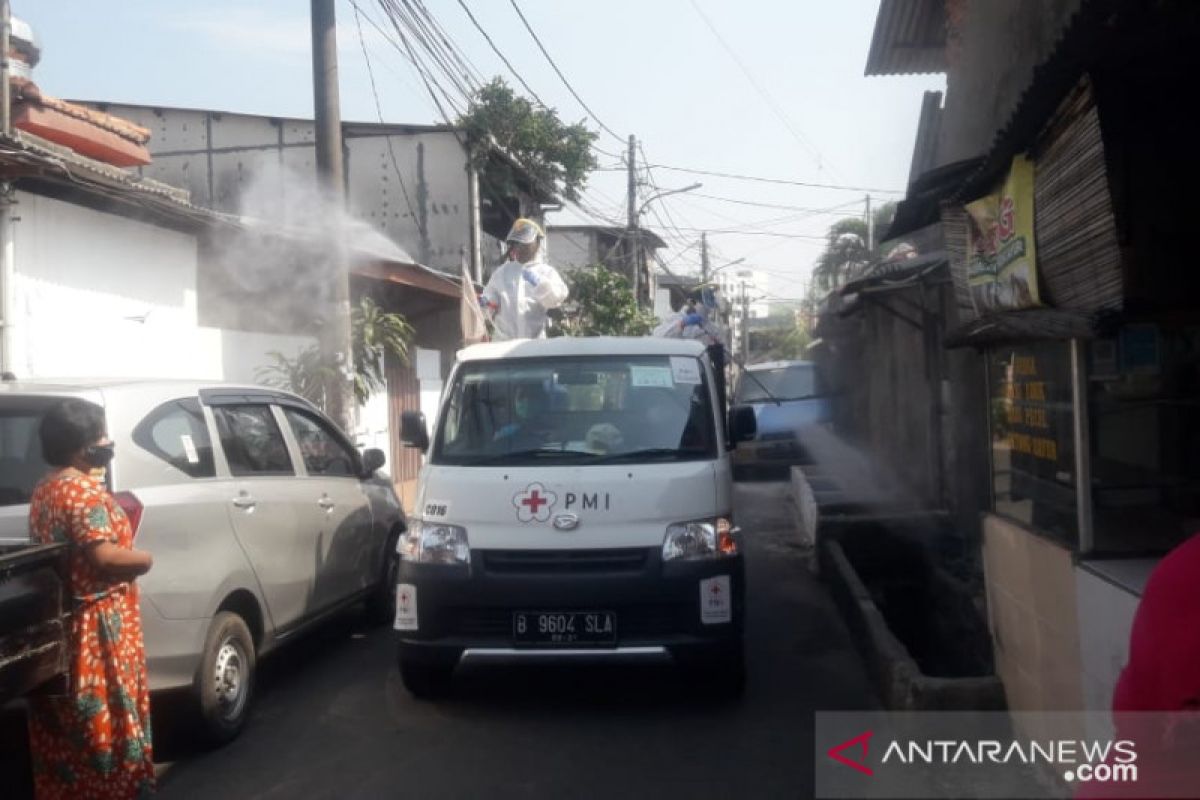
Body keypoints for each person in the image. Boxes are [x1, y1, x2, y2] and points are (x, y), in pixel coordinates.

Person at [26, 399, 155, 800]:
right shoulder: (81, 491)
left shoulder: (45, 488)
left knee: (67, 729)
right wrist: (145, 559)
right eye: (100, 436)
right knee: (108, 723)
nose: (106, 442)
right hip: (98, 626)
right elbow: (104, 555)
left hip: (64, 620)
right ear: (79, 445)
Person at [480, 218, 569, 341]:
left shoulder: (546, 272)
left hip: (534, 347)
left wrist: (541, 284)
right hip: (503, 345)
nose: (520, 248)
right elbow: (489, 306)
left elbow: (555, 300)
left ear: (537, 243)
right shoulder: (502, 272)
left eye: (525, 244)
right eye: (517, 244)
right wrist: (486, 303)